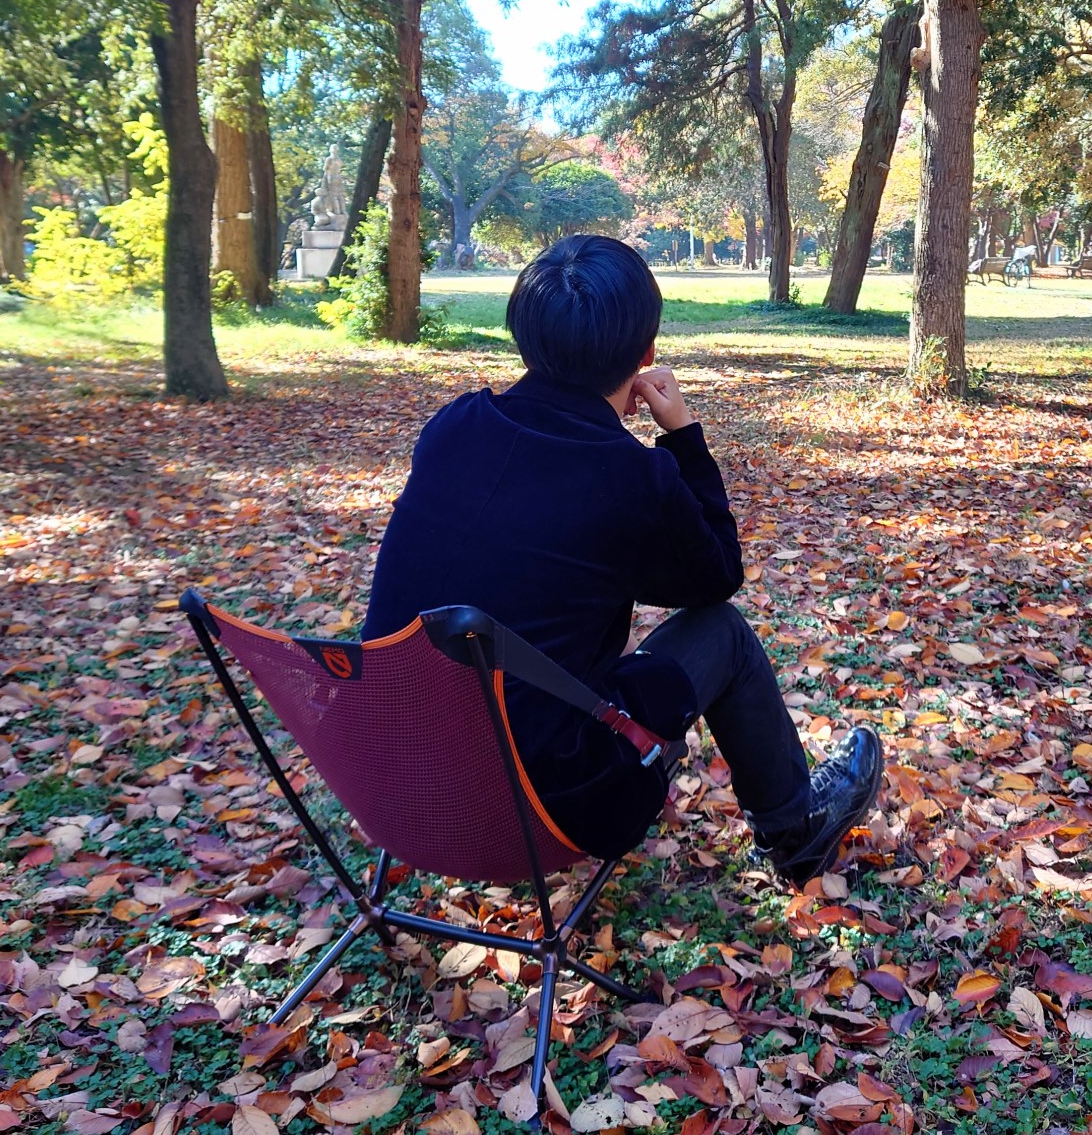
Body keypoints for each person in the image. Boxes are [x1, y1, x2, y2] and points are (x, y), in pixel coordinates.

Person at [362, 234, 881, 887]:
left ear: (522, 336)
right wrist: (685, 438)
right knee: (722, 632)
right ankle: (796, 829)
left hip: (389, 780)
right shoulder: (630, 477)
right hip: (541, 810)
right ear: (646, 354)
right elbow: (716, 576)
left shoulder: (454, 424)